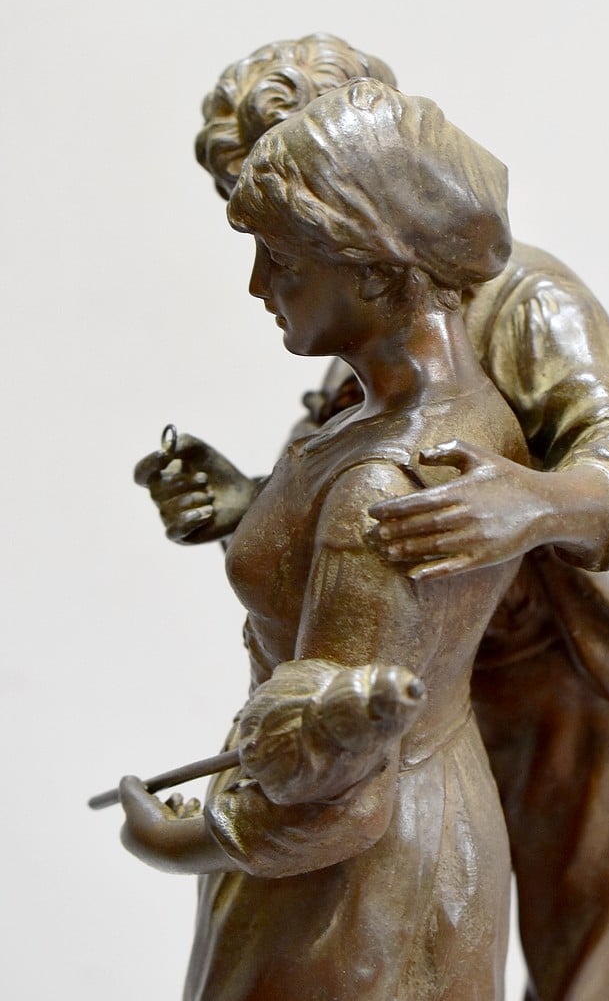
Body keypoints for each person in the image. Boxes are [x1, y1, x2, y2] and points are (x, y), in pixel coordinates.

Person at [137, 34, 609, 1001]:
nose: (264, 257)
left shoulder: (519, 303)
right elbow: (355, 536)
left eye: (288, 206)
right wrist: (249, 506)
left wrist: (532, 502)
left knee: (589, 981)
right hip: (431, 722)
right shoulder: (375, 340)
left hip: (577, 711)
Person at [121, 79, 529, 1000]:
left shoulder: (381, 482)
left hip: (346, 896)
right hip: (435, 817)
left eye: (282, 259)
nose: (258, 285)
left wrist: (178, 837)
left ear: (373, 268)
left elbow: (347, 797)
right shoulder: (448, 413)